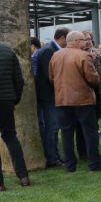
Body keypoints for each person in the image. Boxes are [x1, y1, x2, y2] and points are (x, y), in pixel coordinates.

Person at [48, 31, 101, 172]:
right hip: (83, 101)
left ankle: (70, 166)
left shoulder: (55, 55)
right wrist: (97, 78)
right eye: (84, 40)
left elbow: (51, 78)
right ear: (77, 41)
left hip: (62, 100)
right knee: (90, 133)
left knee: (66, 134)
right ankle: (94, 164)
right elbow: (93, 79)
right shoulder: (84, 55)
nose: (86, 42)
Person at [35, 26, 69, 167]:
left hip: (51, 95)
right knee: (52, 127)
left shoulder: (51, 49)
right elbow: (51, 76)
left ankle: (53, 156)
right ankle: (52, 158)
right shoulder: (49, 51)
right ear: (62, 38)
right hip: (48, 96)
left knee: (53, 127)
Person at [0, 42, 30, 191]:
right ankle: (23, 176)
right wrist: (14, 98)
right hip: (6, 100)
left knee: (10, 136)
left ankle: (0, 184)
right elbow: (19, 79)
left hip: (7, 98)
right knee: (10, 136)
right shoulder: (7, 50)